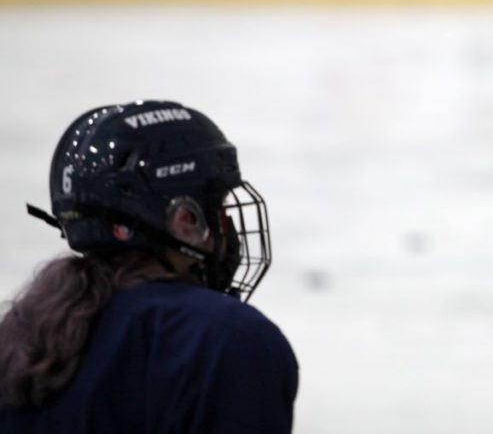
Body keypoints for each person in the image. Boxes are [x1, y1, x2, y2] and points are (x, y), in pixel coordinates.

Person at [0, 100, 298, 433]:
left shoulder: (23, 333)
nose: (226, 224)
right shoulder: (226, 337)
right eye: (220, 207)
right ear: (186, 220)